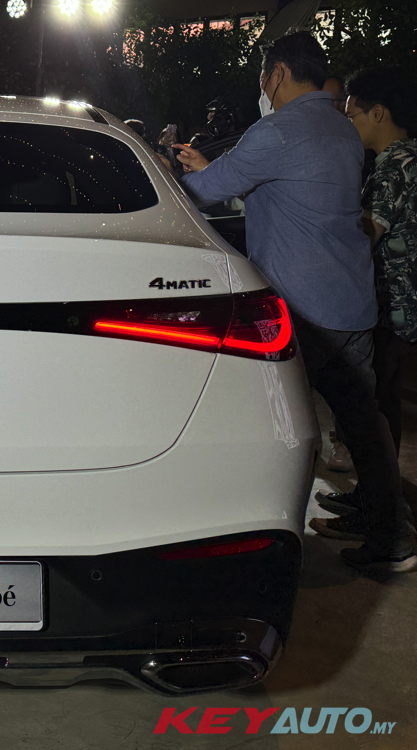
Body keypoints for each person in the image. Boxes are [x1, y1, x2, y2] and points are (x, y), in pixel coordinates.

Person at [170, 32, 416, 574]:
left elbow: (204, 192)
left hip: (303, 309)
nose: (262, 86)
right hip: (350, 299)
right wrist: (217, 170)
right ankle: (390, 531)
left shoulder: (277, 130)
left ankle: (259, 538)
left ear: (277, 73)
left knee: (276, 424)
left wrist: (186, 172)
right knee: (364, 424)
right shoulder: (340, 127)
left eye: (263, 76)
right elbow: (291, 189)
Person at [346, 67, 417, 456]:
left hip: (394, 306)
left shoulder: (393, 165)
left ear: (377, 113)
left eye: (351, 115)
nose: (348, 125)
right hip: (407, 305)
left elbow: (367, 232)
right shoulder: (412, 156)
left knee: (379, 402)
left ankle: (381, 489)